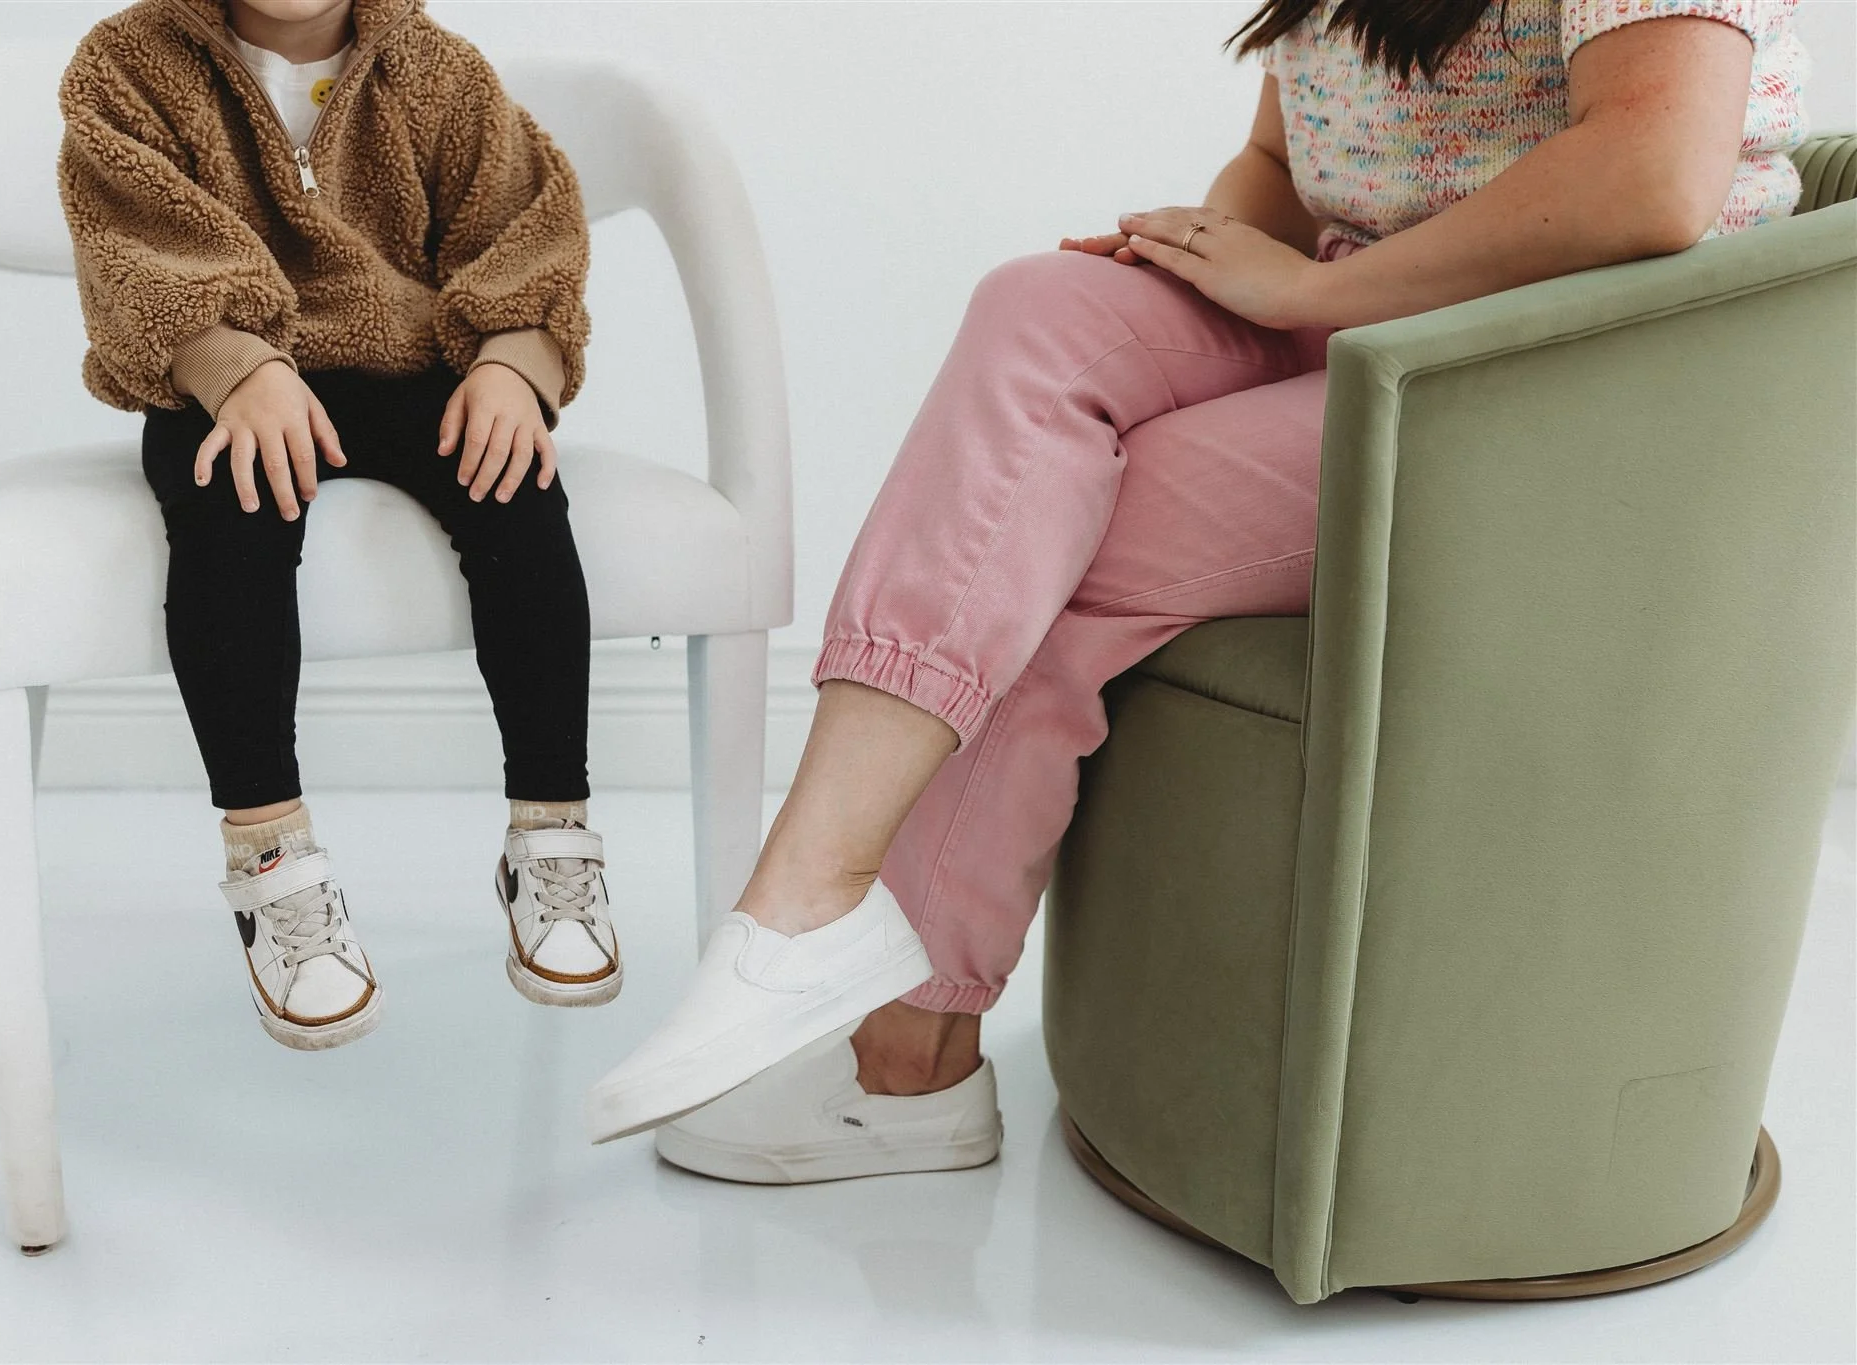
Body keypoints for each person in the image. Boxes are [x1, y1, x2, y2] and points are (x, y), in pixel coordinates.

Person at [589, 0, 1810, 1176]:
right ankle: (805, 898)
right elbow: (1281, 166)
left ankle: (907, 1062)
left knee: (1048, 530)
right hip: (1377, 318)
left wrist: (1316, 295)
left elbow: (1655, 173)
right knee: (1037, 311)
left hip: (1561, 373)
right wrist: (1189, 256)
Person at [59, 0, 619, 1051]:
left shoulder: (435, 73)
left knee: (518, 491)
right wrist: (234, 366)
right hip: (222, 378)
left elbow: (525, 233)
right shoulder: (129, 66)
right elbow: (129, 245)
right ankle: (272, 860)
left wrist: (512, 363)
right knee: (232, 510)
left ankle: (552, 836)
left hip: (411, 365)